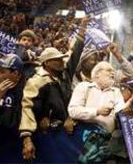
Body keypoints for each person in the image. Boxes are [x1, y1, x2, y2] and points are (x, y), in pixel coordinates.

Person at [19, 33, 85, 162]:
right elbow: (27, 108)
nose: (62, 61)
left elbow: (75, 56)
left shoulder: (63, 74)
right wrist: (27, 138)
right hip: (48, 134)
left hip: (67, 131)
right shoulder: (36, 82)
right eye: (57, 59)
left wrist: (82, 32)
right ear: (47, 63)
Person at [0, 54, 25, 162]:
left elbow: (16, 122)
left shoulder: (24, 91)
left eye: (2, 72)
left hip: (10, 149)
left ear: (15, 74)